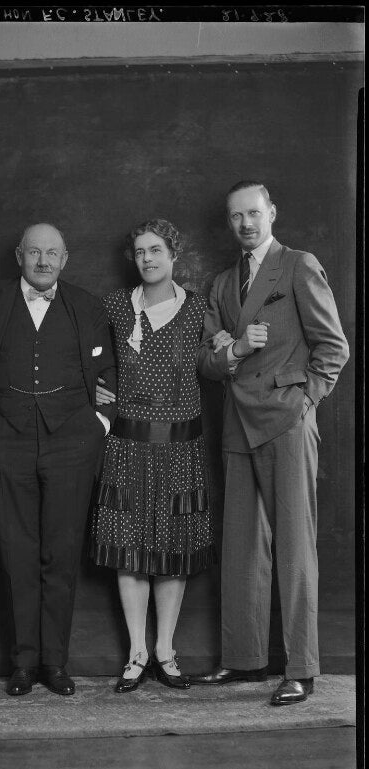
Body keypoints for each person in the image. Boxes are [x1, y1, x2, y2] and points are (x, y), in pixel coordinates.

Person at [191, 181, 349, 705]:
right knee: (240, 547)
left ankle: (301, 668)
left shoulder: (299, 265)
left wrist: (305, 402)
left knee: (295, 545)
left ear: (271, 213)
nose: (245, 224)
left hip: (285, 420)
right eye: (236, 216)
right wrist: (233, 349)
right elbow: (207, 364)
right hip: (238, 423)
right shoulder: (219, 284)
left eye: (253, 214)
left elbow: (333, 348)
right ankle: (243, 661)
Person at [0, 223, 117, 697]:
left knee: (61, 554)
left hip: (72, 442)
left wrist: (99, 424)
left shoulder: (87, 306)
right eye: (35, 253)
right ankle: (23, 662)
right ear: (19, 256)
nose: (44, 262)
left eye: (52, 254)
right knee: (16, 554)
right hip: (5, 440)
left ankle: (55, 663)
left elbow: (108, 371)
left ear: (65, 259)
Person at [92, 218, 216, 693]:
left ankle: (166, 650)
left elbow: (217, 359)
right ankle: (136, 652)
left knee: (172, 551)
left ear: (173, 253)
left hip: (180, 447)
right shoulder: (117, 306)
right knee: (130, 550)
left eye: (156, 250)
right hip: (127, 444)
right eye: (140, 251)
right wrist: (98, 389)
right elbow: (93, 359)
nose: (147, 259)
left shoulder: (197, 308)